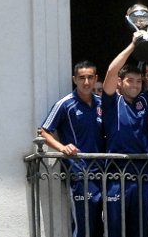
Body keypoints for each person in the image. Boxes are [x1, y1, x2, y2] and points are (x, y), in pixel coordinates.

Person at [101, 31, 148, 237]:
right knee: (114, 228)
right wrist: (133, 44)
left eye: (139, 82)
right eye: (130, 81)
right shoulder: (112, 101)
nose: (136, 85)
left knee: (140, 228)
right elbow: (112, 71)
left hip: (143, 172)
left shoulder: (143, 101)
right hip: (116, 172)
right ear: (120, 83)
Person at [40, 60, 105, 237]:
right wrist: (62, 148)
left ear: (96, 79)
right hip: (79, 172)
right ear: (74, 79)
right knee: (84, 225)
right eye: (82, 78)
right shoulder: (65, 104)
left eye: (90, 77)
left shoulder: (102, 104)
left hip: (105, 171)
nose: (86, 82)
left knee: (104, 226)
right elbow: (43, 131)